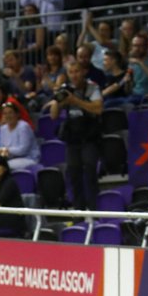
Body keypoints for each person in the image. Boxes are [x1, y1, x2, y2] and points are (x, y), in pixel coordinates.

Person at [50, 60, 103, 210]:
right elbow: (53, 115)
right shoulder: (66, 89)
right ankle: (79, 210)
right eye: (71, 72)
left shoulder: (92, 87)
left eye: (77, 71)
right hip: (73, 138)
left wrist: (75, 101)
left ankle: (94, 209)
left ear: (83, 72)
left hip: (90, 137)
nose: (74, 75)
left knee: (90, 171)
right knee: (73, 174)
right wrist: (57, 99)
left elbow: (98, 109)